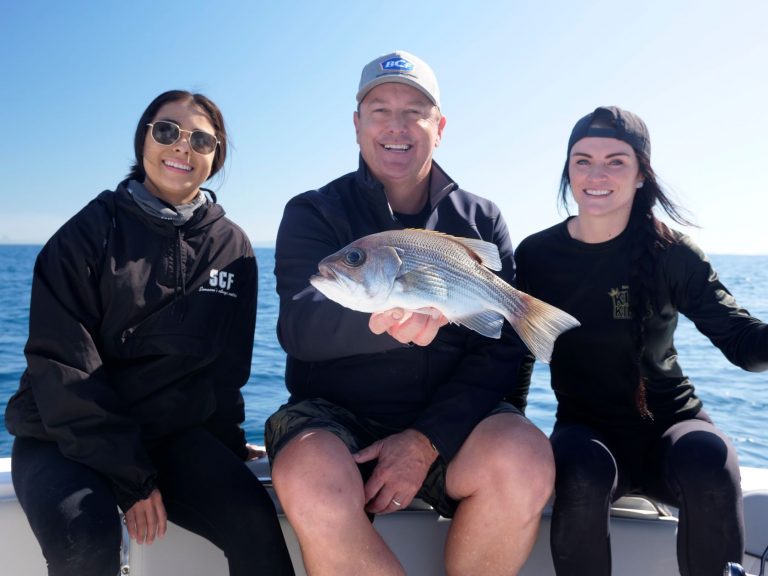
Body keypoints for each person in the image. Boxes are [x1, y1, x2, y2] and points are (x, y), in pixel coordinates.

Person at [267, 50, 554, 576]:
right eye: (379, 110)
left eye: (414, 111)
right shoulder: (314, 211)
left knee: (526, 459)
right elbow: (298, 326)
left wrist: (426, 441)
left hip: (449, 423)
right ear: (357, 125)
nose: (396, 126)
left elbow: (499, 350)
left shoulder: (481, 218)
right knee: (309, 478)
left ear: (438, 127)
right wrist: (377, 326)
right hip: (334, 417)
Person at [4, 90, 295, 576]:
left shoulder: (233, 247)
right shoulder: (87, 233)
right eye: (167, 131)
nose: (182, 147)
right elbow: (64, 367)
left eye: (201, 139)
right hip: (61, 434)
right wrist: (132, 477)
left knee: (253, 521)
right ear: (143, 140)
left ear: (215, 155)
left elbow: (226, 372)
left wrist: (224, 444)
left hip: (168, 435)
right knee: (87, 539)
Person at [514, 106, 768, 576]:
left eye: (616, 161)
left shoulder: (672, 253)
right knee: (582, 473)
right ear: (567, 171)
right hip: (584, 429)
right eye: (582, 160)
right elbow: (517, 354)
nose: (597, 174)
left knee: (710, 461)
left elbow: (742, 341)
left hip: (673, 425)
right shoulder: (537, 255)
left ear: (639, 175)